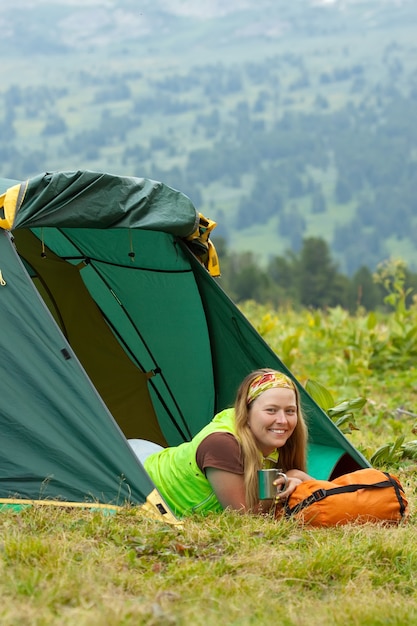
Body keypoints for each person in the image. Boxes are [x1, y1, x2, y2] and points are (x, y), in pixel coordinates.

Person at [131, 368, 312, 517]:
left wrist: (298, 477)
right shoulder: (222, 445)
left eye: (290, 411)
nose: (283, 420)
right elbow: (244, 518)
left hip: (155, 453)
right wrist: (291, 482)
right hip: (132, 470)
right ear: (246, 413)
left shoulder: (281, 442)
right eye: (271, 410)